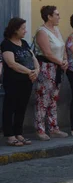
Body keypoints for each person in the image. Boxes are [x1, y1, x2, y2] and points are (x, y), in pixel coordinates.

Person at [33, 5, 68, 141]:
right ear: (49, 16)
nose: (59, 17)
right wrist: (60, 62)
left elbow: (62, 47)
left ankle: (53, 127)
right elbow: (47, 52)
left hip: (58, 67)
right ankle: (40, 129)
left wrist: (64, 60)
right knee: (43, 99)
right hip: (46, 68)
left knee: (54, 98)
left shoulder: (57, 30)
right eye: (57, 14)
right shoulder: (42, 31)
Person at [1, 18, 39, 146]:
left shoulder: (24, 43)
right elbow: (12, 63)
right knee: (10, 106)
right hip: (13, 81)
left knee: (21, 107)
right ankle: (10, 135)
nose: (25, 31)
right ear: (15, 29)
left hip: (27, 81)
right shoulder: (6, 44)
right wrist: (29, 72)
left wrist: (36, 70)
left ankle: (19, 133)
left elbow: (33, 57)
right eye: (22, 28)